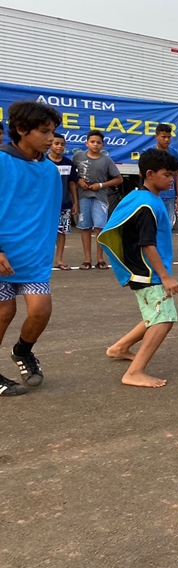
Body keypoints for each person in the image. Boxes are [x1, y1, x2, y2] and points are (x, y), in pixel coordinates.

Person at [99, 149, 178, 389]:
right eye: (167, 175)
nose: (171, 180)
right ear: (149, 174)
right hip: (148, 273)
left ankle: (119, 348)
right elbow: (147, 244)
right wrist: (165, 277)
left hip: (142, 271)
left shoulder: (138, 197)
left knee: (154, 314)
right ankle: (134, 372)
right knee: (164, 320)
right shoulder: (147, 205)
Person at [0, 101, 62, 396]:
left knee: (41, 310)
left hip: (33, 257)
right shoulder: (1, 162)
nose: (51, 138)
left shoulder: (50, 170)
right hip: (2, 254)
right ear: (22, 130)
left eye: (53, 132)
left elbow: (47, 214)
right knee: (4, 311)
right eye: (44, 131)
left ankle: (23, 351)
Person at [73, 130, 123, 270]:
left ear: (103, 145)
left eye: (98, 142)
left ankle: (100, 259)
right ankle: (87, 259)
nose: (95, 145)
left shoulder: (106, 160)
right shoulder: (78, 156)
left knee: (100, 227)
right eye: (92, 142)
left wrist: (100, 185)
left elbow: (118, 179)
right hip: (83, 196)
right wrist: (79, 181)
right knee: (85, 227)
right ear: (86, 143)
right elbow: (72, 175)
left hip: (99, 197)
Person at [48, 132, 79, 271]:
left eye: (62, 144)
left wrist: (75, 202)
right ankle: (45, 260)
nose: (60, 146)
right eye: (56, 143)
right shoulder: (43, 162)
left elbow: (72, 184)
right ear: (50, 145)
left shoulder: (68, 163)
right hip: (46, 206)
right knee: (45, 233)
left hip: (65, 204)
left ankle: (59, 260)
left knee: (62, 232)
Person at [154, 124, 178, 221]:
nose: (166, 140)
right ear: (156, 136)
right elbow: (143, 174)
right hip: (154, 195)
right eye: (163, 137)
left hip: (170, 196)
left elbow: (176, 175)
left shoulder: (174, 153)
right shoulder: (150, 152)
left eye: (169, 137)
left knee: (167, 226)